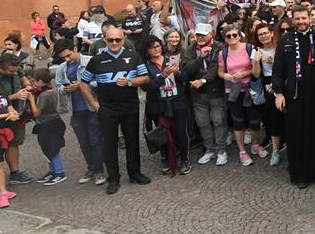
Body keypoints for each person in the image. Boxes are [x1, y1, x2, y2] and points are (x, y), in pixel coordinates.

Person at [272, 7, 315, 188]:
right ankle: (300, 175)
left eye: (304, 18)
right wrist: (278, 92)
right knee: (297, 135)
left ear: (309, 18)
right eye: (298, 18)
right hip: (295, 95)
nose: (301, 21)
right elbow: (278, 68)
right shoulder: (286, 39)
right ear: (292, 20)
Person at [78, 25, 151, 195]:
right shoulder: (96, 59)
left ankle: (135, 173)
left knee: (132, 141)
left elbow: (146, 77)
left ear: (123, 40)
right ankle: (113, 178)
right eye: (110, 40)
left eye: (118, 39)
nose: (114, 42)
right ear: (105, 40)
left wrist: (131, 82)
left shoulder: (133, 56)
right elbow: (83, 83)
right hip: (107, 108)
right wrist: (94, 105)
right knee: (109, 144)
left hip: (130, 106)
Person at [54, 39, 104, 186]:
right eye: (63, 57)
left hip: (91, 107)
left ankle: (98, 170)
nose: (67, 59)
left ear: (75, 48)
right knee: (84, 143)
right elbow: (58, 87)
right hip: (75, 110)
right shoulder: (62, 68)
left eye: (69, 55)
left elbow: (100, 80)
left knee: (95, 141)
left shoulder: (90, 61)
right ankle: (92, 168)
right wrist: (66, 89)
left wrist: (82, 85)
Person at [141, 35, 190, 175]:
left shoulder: (171, 60)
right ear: (147, 50)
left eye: (157, 46)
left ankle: (184, 159)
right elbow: (147, 88)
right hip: (159, 104)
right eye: (152, 47)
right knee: (163, 133)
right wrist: (163, 75)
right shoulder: (145, 66)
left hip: (177, 101)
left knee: (181, 131)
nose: (156, 49)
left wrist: (178, 72)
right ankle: (167, 158)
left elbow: (186, 78)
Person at [182, 23, 228, 166]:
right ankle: (209, 149)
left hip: (216, 92)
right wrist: (200, 57)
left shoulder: (219, 47)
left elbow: (216, 68)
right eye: (198, 35)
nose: (200, 37)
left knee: (218, 120)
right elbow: (188, 68)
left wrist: (202, 80)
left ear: (211, 34)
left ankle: (221, 150)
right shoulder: (189, 49)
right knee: (203, 123)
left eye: (203, 34)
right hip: (197, 94)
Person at [218, 24, 263, 167]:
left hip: (250, 89)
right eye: (228, 36)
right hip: (232, 91)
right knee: (238, 122)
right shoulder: (222, 53)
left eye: (234, 35)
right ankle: (242, 151)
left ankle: (255, 144)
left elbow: (255, 68)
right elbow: (220, 71)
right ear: (224, 38)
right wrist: (224, 75)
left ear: (239, 35)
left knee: (255, 121)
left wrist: (245, 73)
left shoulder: (249, 48)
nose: (232, 38)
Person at [0, 53, 33, 185]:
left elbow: (23, 79)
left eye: (15, 70)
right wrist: (15, 96)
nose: (13, 73)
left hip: (17, 114)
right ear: (0, 67)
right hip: (1, 116)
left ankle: (15, 173)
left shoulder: (16, 69)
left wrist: (28, 86)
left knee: (14, 143)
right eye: (10, 71)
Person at [27, 68, 67, 185]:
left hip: (47, 124)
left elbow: (36, 113)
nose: (33, 83)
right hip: (52, 121)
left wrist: (31, 100)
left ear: (40, 81)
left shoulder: (44, 95)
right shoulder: (50, 90)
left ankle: (59, 172)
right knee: (47, 149)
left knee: (52, 149)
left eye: (34, 81)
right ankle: (53, 171)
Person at [252, 22, 284, 166]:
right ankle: (276, 151)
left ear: (271, 33)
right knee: (272, 119)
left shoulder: (280, 47)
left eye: (266, 33)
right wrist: (256, 62)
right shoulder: (256, 50)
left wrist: (272, 61)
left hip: (282, 83)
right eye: (260, 34)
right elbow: (256, 74)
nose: (264, 36)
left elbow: (285, 67)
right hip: (267, 85)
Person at [0, 84, 20, 208]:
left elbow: (11, 109)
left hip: (3, 132)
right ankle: (2, 193)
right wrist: (6, 115)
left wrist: (14, 114)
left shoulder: (3, 95)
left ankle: (1, 190)